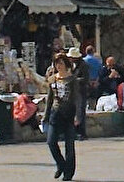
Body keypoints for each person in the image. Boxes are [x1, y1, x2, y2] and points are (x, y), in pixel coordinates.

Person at [45, 53, 78, 181]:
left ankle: (69, 172)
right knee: (51, 141)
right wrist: (46, 116)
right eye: (56, 63)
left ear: (66, 64)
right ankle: (61, 164)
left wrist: (78, 116)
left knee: (69, 145)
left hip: (69, 114)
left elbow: (76, 99)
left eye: (61, 63)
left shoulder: (72, 80)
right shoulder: (52, 79)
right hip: (55, 113)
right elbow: (49, 98)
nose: (58, 66)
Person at [68, 47, 88, 141]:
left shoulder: (83, 65)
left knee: (80, 112)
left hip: (81, 91)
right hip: (73, 92)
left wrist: (74, 80)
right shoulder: (71, 65)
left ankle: (81, 132)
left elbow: (85, 79)